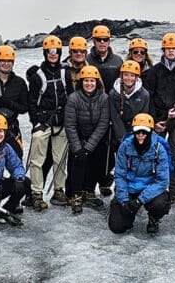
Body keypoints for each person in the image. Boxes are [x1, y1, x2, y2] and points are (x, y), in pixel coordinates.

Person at [142, 32, 175, 205]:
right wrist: (154, 120)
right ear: (163, 49)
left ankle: (173, 191)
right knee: (154, 155)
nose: (171, 51)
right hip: (159, 121)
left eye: (174, 48)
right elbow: (149, 95)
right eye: (168, 48)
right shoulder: (155, 71)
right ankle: (154, 189)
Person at [25, 35, 71, 210]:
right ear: (45, 53)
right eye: (50, 51)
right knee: (37, 160)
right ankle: (36, 193)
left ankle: (59, 191)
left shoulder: (65, 73)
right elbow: (32, 102)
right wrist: (36, 122)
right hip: (43, 123)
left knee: (60, 160)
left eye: (56, 51)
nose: (53, 54)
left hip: (61, 123)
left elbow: (71, 97)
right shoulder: (37, 76)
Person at [109, 113, 172, 234]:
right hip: (129, 188)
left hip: (150, 188)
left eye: (144, 132)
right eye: (138, 132)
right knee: (117, 227)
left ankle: (154, 218)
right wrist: (124, 201)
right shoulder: (125, 146)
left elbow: (162, 181)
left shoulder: (159, 149)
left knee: (160, 205)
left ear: (150, 132)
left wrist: (139, 201)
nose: (141, 135)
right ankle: (125, 213)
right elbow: (120, 175)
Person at [63, 65, 112, 214]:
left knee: (97, 158)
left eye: (92, 81)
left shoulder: (104, 98)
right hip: (78, 137)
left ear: (97, 82)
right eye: (86, 81)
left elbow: (103, 124)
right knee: (78, 159)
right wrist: (78, 147)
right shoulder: (74, 98)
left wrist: (89, 146)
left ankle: (89, 190)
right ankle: (76, 194)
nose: (89, 84)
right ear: (81, 82)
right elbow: (70, 124)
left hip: (95, 138)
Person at [106, 59, 151, 198]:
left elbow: (143, 117)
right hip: (119, 135)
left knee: (136, 163)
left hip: (137, 133)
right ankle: (119, 191)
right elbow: (115, 118)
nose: (129, 78)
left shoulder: (144, 95)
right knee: (121, 164)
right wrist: (123, 139)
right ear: (121, 76)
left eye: (132, 75)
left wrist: (135, 138)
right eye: (126, 75)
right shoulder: (113, 94)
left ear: (137, 77)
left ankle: (136, 190)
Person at [87, 24, 124, 90]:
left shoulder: (119, 61)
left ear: (109, 41)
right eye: (99, 39)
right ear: (93, 41)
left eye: (105, 39)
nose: (102, 42)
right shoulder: (86, 61)